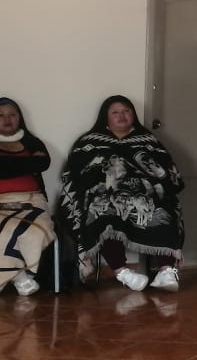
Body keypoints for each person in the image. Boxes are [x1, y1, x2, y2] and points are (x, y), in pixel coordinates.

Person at [58, 95, 185, 293]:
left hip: (144, 193)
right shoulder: (89, 142)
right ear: (105, 117)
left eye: (126, 111)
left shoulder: (149, 141)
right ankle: (122, 272)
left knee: (164, 208)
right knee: (103, 212)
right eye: (115, 112)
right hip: (105, 194)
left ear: (133, 114)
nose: (121, 116)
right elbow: (77, 174)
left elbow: (167, 173)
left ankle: (166, 271)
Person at [0, 97, 53, 300]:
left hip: (33, 201)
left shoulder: (31, 141)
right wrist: (29, 163)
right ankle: (20, 278)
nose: (7, 119)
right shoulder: (32, 149)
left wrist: (8, 166)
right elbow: (33, 164)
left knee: (35, 231)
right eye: (1, 115)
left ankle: (23, 275)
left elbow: (44, 163)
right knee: (3, 232)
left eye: (12, 114)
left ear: (20, 118)